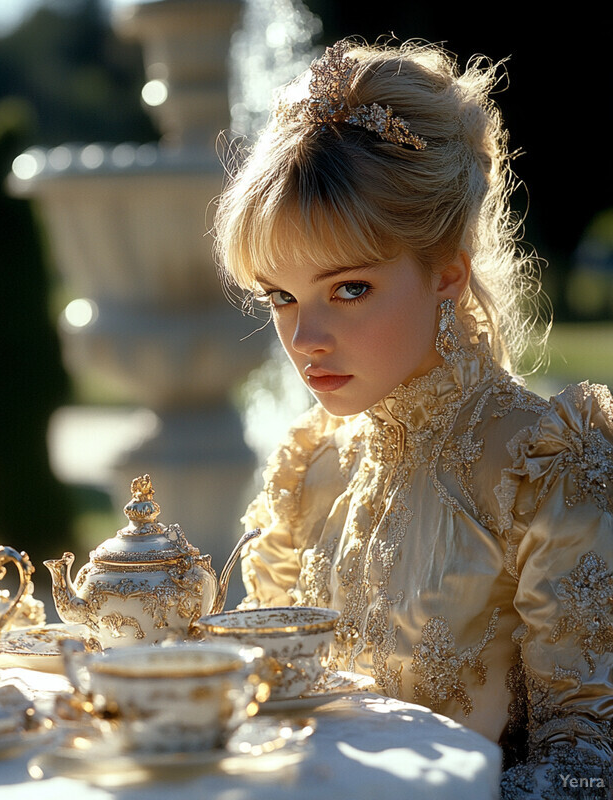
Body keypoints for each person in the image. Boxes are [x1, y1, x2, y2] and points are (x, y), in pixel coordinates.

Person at [214, 38, 613, 799]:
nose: (305, 339)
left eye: (350, 289)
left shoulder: (545, 467)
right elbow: (268, 707)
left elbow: (584, 766)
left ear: (449, 273)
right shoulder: (311, 469)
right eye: (281, 297)